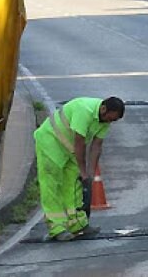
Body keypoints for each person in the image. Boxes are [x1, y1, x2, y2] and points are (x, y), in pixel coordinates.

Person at [34, 96, 125, 241]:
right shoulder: (84, 110)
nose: (110, 122)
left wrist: (90, 174)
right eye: (110, 118)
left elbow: (96, 146)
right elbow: (79, 143)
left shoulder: (105, 120)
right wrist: (83, 170)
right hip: (51, 143)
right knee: (52, 187)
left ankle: (77, 224)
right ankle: (57, 228)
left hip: (69, 149)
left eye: (113, 120)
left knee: (74, 185)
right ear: (103, 109)